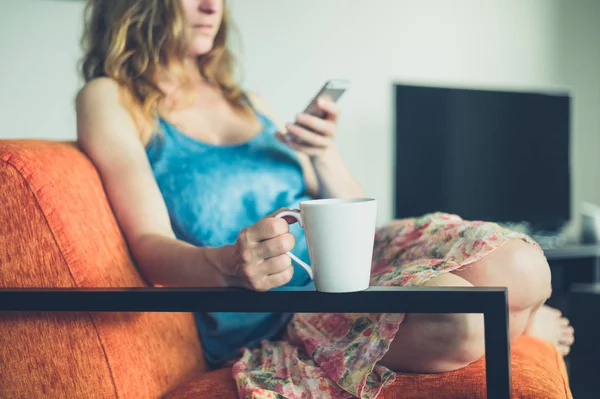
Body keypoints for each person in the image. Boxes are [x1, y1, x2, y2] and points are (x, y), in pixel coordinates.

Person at [75, 0, 574, 397]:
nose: (212, 6)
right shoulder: (109, 96)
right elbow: (146, 242)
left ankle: (519, 320)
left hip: (352, 268)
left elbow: (354, 211)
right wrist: (226, 261)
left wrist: (324, 153)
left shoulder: (248, 100)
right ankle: (524, 330)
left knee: (524, 267)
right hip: (287, 314)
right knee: (461, 319)